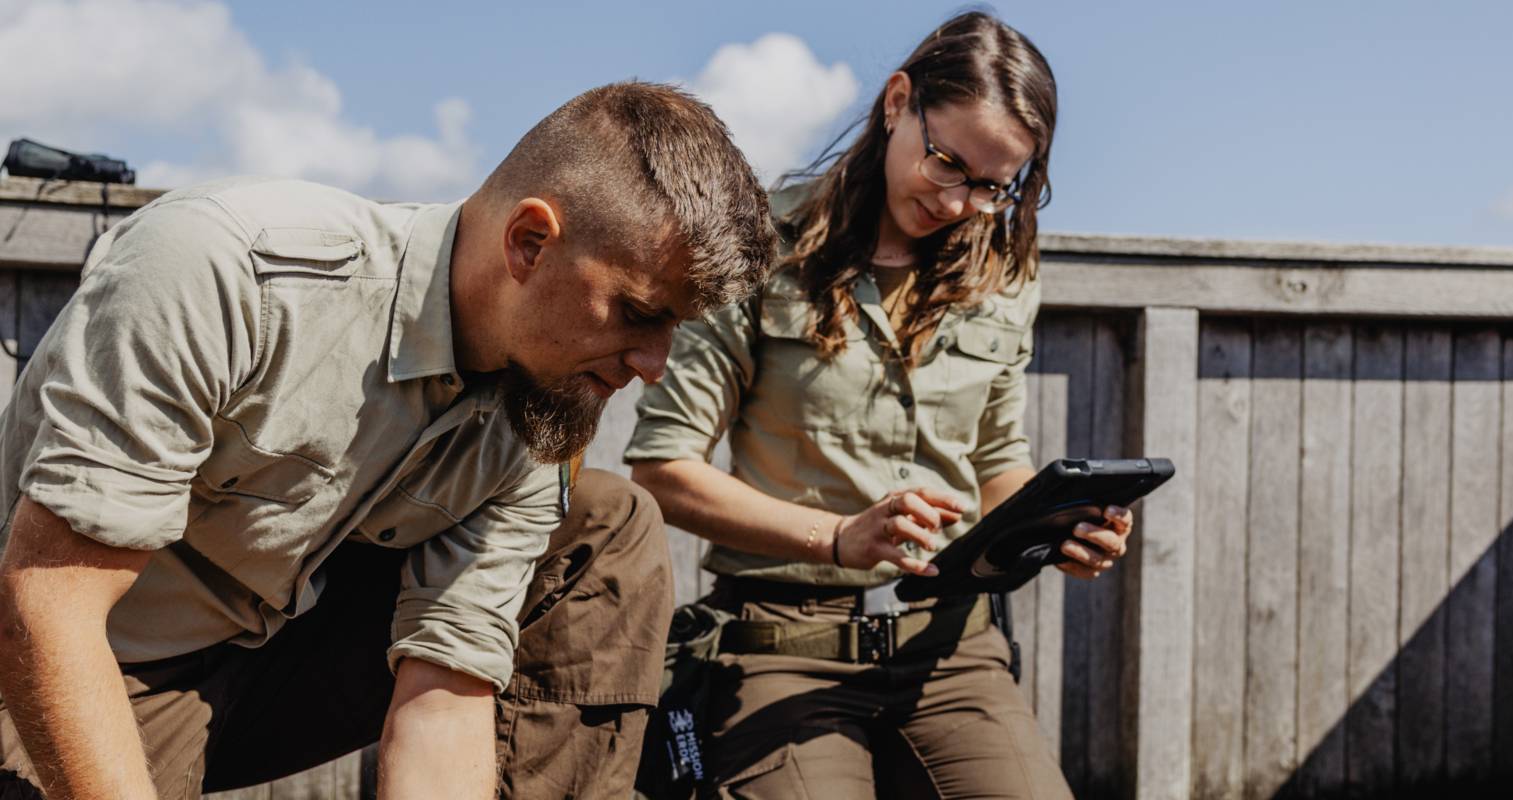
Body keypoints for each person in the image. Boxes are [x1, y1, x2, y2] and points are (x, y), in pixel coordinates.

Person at [0, 82, 774, 800]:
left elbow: (448, 690)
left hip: (272, 661)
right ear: (530, 242)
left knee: (607, 523)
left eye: (675, 328)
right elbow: (47, 604)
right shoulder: (230, 271)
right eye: (639, 314)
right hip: (80, 663)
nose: (653, 365)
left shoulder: (542, 405)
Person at [626, 12, 1134, 798]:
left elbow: (997, 463)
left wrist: (1052, 525)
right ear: (899, 101)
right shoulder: (759, 242)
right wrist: (837, 537)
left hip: (953, 651)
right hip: (777, 649)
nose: (963, 204)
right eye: (947, 164)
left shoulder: (1003, 270)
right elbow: (663, 468)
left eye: (995, 186)